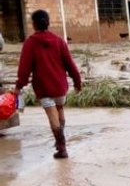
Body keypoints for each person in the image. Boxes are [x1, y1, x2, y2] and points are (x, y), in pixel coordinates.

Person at [14, 10, 82, 158]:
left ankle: (62, 147)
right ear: (48, 22)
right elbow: (70, 64)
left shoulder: (30, 43)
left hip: (44, 87)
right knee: (60, 110)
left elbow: (24, 68)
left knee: (52, 115)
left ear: (33, 24)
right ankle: (60, 142)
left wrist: (19, 86)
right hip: (60, 86)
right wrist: (77, 82)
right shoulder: (59, 41)